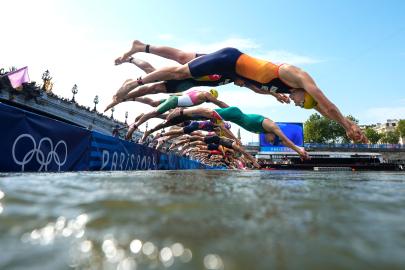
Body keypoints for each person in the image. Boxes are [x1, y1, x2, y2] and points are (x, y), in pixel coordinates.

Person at [114, 42, 367, 143]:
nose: (296, 104)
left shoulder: (286, 90)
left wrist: (270, 95)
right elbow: (326, 103)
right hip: (229, 60)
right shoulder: (296, 76)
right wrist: (347, 125)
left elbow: (322, 110)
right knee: (181, 72)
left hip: (230, 73)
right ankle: (136, 82)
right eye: (301, 104)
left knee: (181, 58)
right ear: (304, 93)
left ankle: (141, 47)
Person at [165, 106, 310, 160]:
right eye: (271, 140)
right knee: (208, 113)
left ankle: (182, 115)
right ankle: (182, 110)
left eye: (271, 142)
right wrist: (299, 150)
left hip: (233, 117)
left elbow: (284, 142)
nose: (269, 140)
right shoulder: (272, 126)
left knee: (206, 117)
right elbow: (286, 139)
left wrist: (299, 152)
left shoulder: (269, 132)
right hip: (234, 113)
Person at [125, 88, 228, 139]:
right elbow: (218, 104)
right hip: (177, 106)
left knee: (157, 109)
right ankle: (134, 126)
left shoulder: (198, 93)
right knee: (157, 114)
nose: (211, 101)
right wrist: (232, 110)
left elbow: (185, 96)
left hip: (177, 104)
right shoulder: (206, 98)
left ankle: (134, 99)